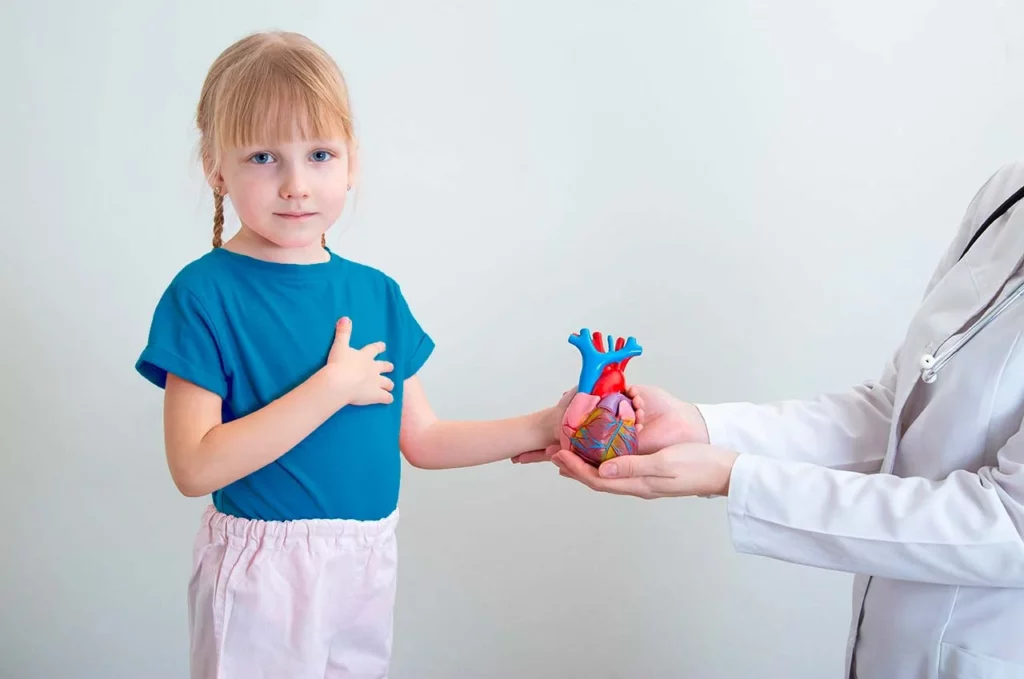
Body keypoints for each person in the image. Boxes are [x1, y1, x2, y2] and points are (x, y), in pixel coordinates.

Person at [134, 30, 595, 679]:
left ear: (352, 162)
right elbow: (194, 463)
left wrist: (545, 425)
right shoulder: (204, 295)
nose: (296, 183)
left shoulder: (376, 295)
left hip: (367, 559)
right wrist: (329, 387)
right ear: (216, 166)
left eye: (320, 153)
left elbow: (426, 438)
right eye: (264, 156)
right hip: (267, 572)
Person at [529, 161, 1024, 678]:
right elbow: (895, 412)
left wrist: (734, 476)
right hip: (885, 647)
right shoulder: (1007, 194)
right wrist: (700, 426)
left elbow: (1012, 524)